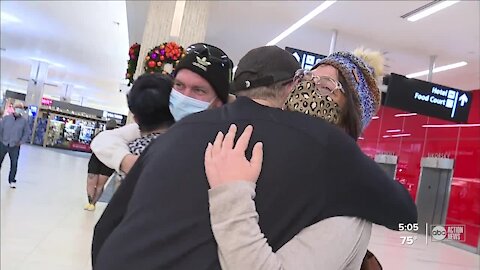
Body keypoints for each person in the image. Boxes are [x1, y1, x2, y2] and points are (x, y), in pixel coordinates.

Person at [93, 46, 416, 270]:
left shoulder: (334, 157)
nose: (312, 88)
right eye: (309, 78)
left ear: (354, 110)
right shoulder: (195, 131)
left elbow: (406, 216)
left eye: (329, 84)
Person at [204, 48, 387, 270]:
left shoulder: (347, 202)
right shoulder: (280, 160)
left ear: (351, 118)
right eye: (306, 78)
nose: (307, 89)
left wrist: (231, 195)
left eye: (326, 86)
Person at [91, 43, 234, 265]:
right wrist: (128, 162)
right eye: (179, 85)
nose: (185, 96)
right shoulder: (166, 130)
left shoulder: (224, 149)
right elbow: (105, 139)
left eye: (199, 90)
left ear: (219, 102)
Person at [85, 119, 118, 211]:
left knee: (92, 181)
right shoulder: (117, 137)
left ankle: (90, 202)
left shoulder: (100, 135)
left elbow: (92, 145)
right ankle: (92, 203)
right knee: (99, 184)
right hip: (108, 161)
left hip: (99, 159)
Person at [0, 103, 31, 188]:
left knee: (14, 163)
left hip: (15, 146)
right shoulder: (6, 119)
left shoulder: (24, 122)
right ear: (14, 108)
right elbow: (1, 129)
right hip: (3, 143)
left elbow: (27, 133)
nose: (18, 109)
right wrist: (1, 139)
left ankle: (12, 180)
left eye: (20, 108)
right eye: (17, 108)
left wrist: (21, 142)